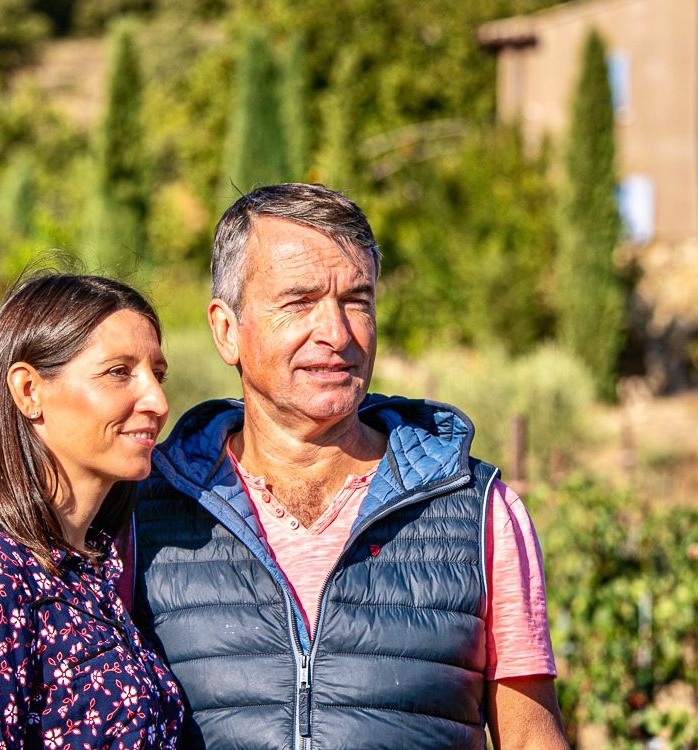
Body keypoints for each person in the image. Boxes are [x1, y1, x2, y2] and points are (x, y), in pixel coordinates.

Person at [133, 183, 570, 749]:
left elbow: (533, 738)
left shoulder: (480, 511)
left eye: (357, 302)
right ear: (226, 330)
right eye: (299, 303)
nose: (336, 333)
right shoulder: (148, 513)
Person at [0, 274, 185, 747]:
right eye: (119, 372)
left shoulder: (97, 567)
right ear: (29, 391)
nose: (158, 402)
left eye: (157, 375)